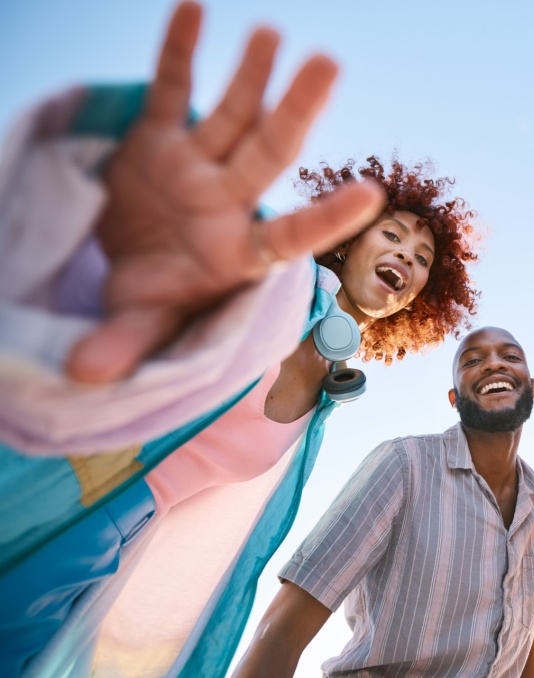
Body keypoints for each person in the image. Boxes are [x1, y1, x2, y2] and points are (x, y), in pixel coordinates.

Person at [0, 3, 480, 676]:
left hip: (113, 568)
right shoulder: (276, 285)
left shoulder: (334, 393)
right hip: (63, 499)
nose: (406, 254)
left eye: (422, 256)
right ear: (349, 240)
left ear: (421, 296)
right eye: (391, 234)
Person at [233, 327, 534, 678]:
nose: (494, 365)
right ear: (454, 399)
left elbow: (527, 655)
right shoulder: (403, 465)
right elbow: (281, 631)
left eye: (511, 357)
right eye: (473, 361)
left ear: (533, 388)